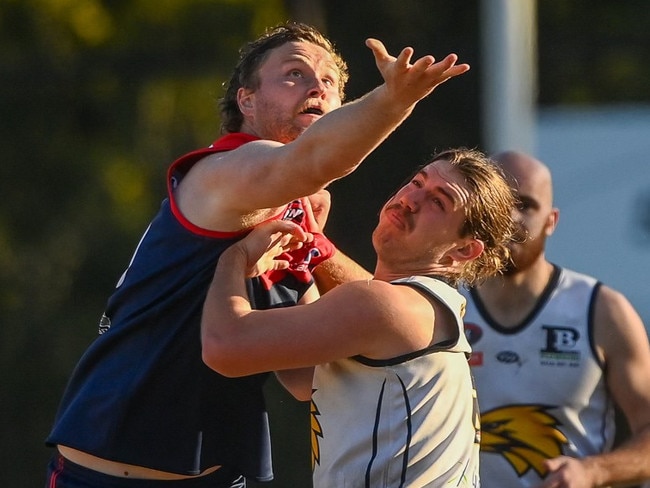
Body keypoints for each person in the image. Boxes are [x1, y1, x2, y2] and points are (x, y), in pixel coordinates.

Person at [44, 21, 471, 488]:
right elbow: (313, 162)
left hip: (219, 473)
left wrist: (407, 321)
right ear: (246, 100)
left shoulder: (291, 209)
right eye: (294, 74)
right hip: (112, 467)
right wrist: (396, 97)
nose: (316, 86)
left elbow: (307, 372)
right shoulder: (226, 170)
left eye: (329, 81)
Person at [200, 148, 517, 487]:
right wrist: (298, 252)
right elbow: (303, 378)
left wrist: (233, 252)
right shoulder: (421, 308)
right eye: (417, 182)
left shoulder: (385, 304)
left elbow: (223, 346)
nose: (412, 199)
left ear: (464, 251)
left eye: (439, 202)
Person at [460, 150, 650, 488]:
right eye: (500, 204)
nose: (510, 219)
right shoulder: (442, 306)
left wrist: (593, 471)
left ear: (552, 220)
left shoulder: (601, 310)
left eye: (526, 205)